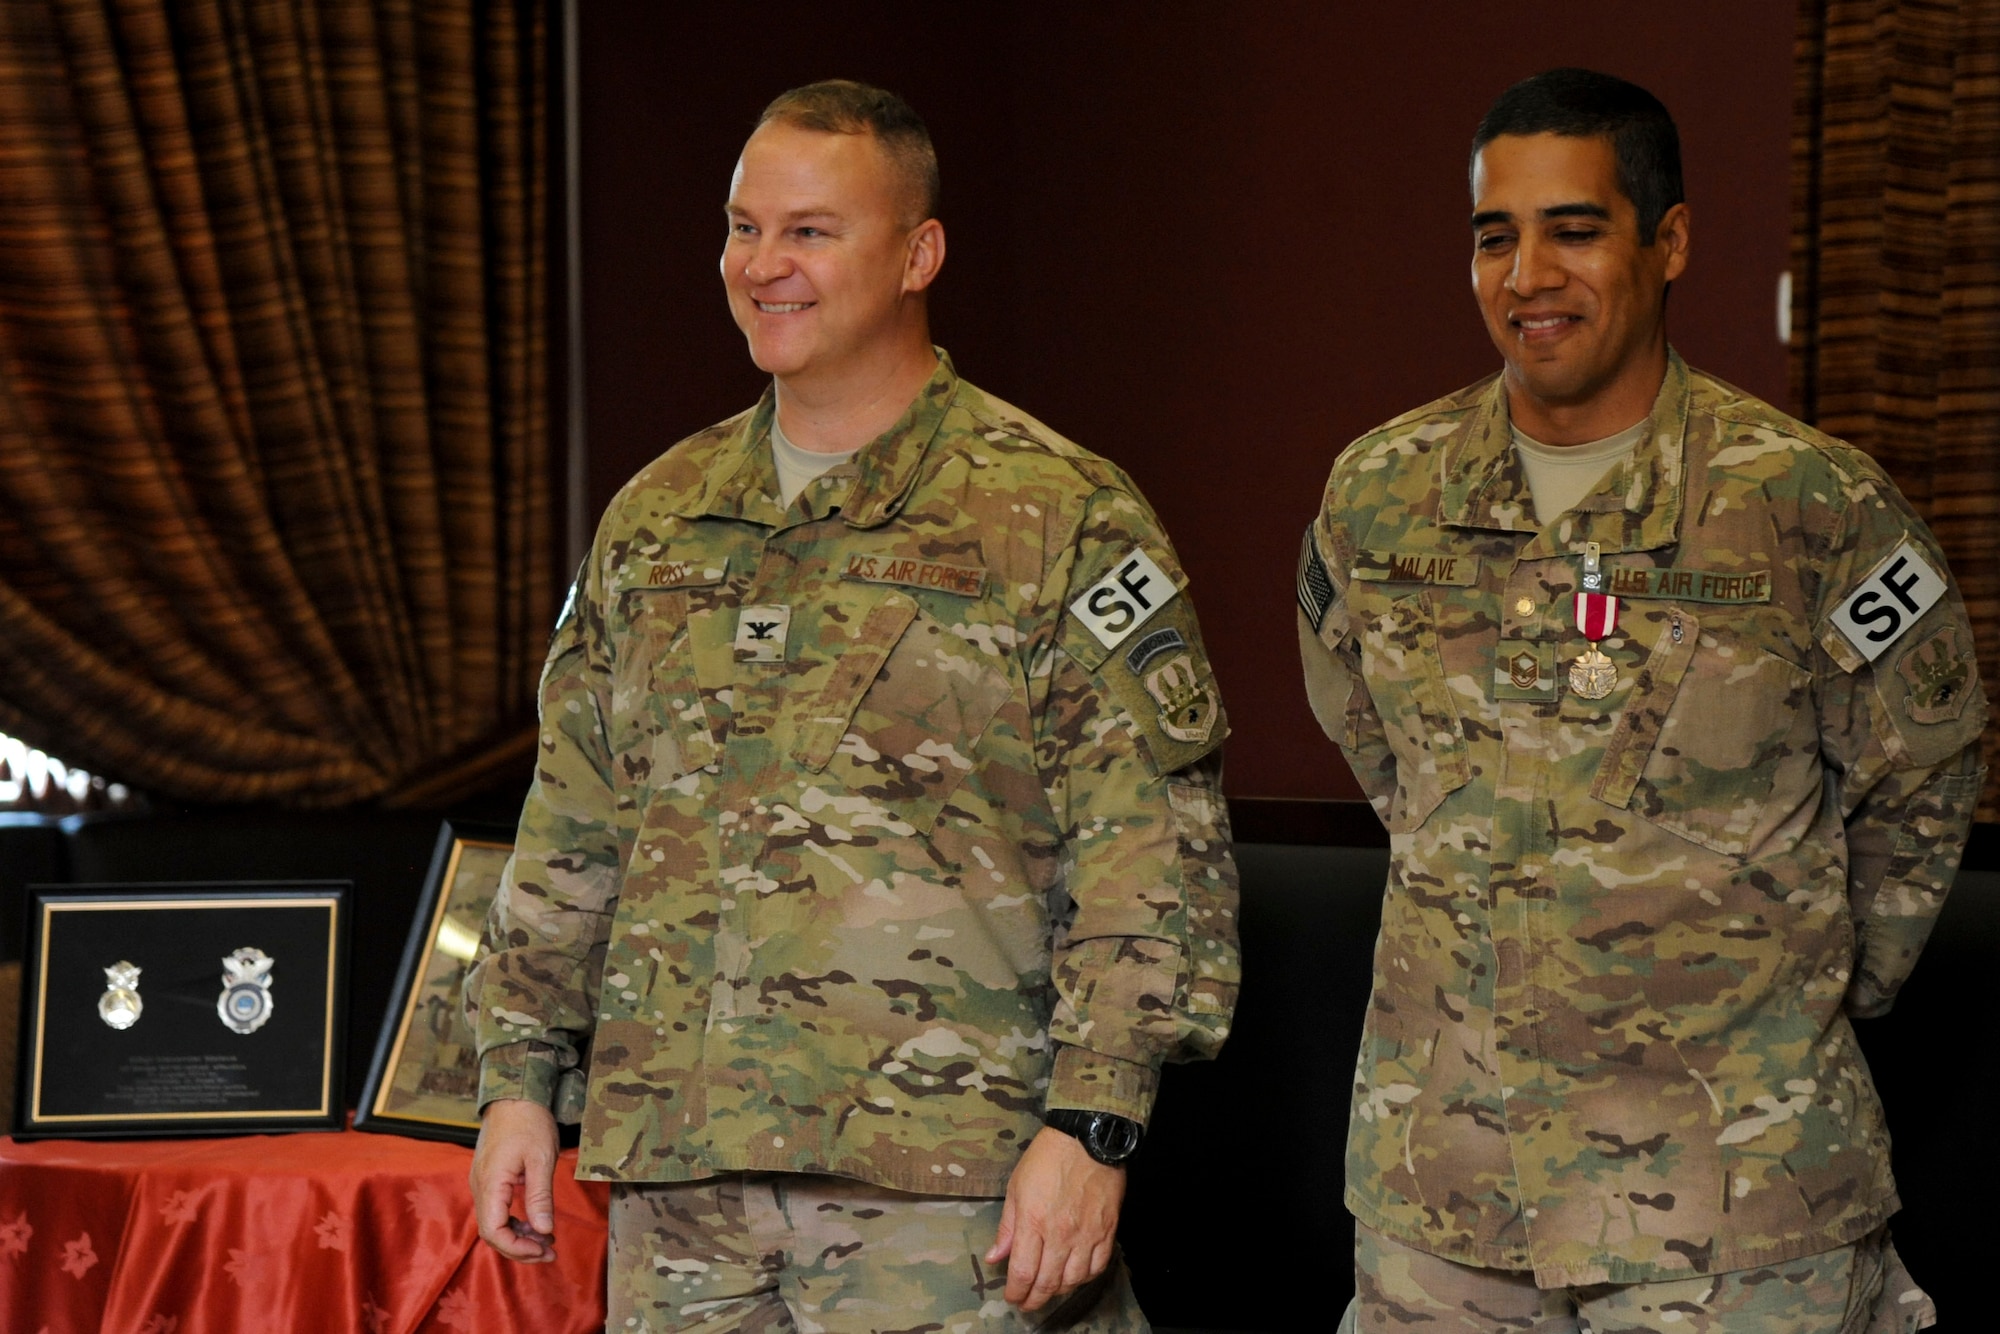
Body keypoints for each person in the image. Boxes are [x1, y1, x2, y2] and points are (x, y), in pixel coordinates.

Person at [467, 80, 1238, 1332]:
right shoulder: (656, 517)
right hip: (681, 1192)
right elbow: (575, 825)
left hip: (951, 1200)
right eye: (741, 228)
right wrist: (515, 1078)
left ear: (918, 252)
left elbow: (1150, 851)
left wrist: (1093, 1125)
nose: (763, 265)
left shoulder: (1056, 512)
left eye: (810, 231)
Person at [1298, 68, 1984, 1333]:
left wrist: (1801, 986)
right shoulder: (1377, 497)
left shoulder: (1807, 504)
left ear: (1667, 241)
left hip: (1734, 1197)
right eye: (1492, 236)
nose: (1526, 274)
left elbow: (1921, 776)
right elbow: (1378, 748)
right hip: (1446, 1193)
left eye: (1572, 228)